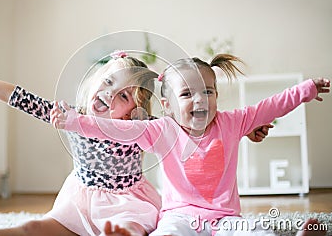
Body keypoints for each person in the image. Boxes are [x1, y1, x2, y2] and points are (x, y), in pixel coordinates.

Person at [0, 51, 271, 236]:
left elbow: (190, 128)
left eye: (124, 94)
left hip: (129, 205)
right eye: (108, 82)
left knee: (128, 230)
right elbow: (18, 97)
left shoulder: (140, 128)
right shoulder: (69, 115)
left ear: (136, 108)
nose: (111, 93)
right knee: (33, 228)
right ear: (95, 80)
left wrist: (244, 129)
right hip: (79, 202)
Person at [50, 54, 330, 236]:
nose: (199, 100)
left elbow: (270, 106)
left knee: (257, 232)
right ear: (167, 106)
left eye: (207, 92)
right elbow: (117, 128)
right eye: (186, 94)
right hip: (179, 218)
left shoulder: (232, 122)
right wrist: (74, 121)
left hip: (226, 220)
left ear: (217, 96)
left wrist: (307, 89)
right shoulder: (161, 130)